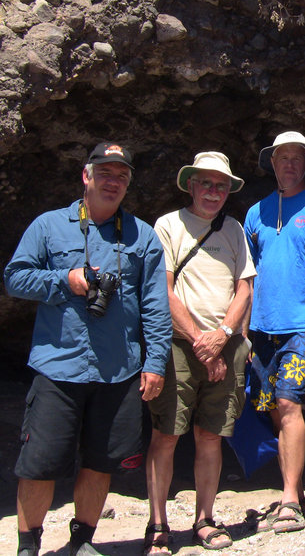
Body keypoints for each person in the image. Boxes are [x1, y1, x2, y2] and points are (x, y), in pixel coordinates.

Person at [5, 143, 172, 556]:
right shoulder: (48, 226)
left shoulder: (142, 236)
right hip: (58, 367)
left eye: (121, 176)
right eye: (105, 174)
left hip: (119, 371)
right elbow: (15, 278)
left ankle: (82, 542)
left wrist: (155, 363)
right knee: (40, 464)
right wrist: (66, 280)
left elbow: (155, 305)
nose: (113, 182)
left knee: (101, 462)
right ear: (86, 176)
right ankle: (29, 547)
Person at [145, 152, 256, 553]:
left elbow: (244, 287)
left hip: (224, 346)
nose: (213, 192)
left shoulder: (234, 230)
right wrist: (200, 341)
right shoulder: (168, 225)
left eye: (221, 185)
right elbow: (164, 288)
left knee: (211, 435)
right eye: (205, 184)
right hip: (180, 345)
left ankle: (204, 519)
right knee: (167, 434)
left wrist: (225, 335)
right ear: (190, 185)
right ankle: (158, 525)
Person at [244, 131, 305, 533]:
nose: (289, 164)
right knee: (270, 409)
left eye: (296, 158)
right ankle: (295, 490)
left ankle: (288, 500)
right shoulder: (256, 213)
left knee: (290, 405)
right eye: (282, 157)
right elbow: (247, 274)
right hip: (263, 328)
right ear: (272, 163)